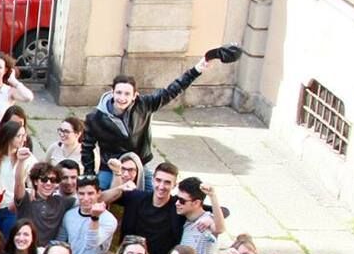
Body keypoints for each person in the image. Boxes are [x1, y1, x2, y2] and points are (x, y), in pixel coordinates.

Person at [81, 47, 241, 177]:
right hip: (110, 168)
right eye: (119, 93)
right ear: (112, 92)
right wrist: (89, 174)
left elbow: (172, 90)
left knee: (154, 197)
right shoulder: (96, 117)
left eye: (127, 94)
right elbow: (87, 148)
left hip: (139, 166)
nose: (122, 98)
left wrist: (197, 69)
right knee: (101, 195)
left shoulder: (144, 105)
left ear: (135, 95)